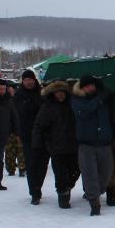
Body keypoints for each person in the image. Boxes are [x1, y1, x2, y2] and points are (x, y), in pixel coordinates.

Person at [71, 74, 115, 216]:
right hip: (86, 144)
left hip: (104, 142)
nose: (90, 88)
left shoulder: (104, 98)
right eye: (86, 86)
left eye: (92, 85)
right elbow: (84, 111)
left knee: (106, 173)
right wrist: (99, 99)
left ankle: (95, 192)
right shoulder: (77, 99)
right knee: (90, 174)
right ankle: (94, 202)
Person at [31, 80, 79, 208]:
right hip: (56, 146)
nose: (60, 95)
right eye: (57, 93)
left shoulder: (72, 104)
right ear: (53, 94)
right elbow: (39, 126)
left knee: (75, 171)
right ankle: (63, 196)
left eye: (62, 92)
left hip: (73, 145)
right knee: (60, 174)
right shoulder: (48, 107)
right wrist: (38, 143)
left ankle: (67, 187)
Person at [12, 69, 49, 202]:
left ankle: (37, 186)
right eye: (26, 80)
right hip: (28, 134)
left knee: (43, 163)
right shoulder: (19, 95)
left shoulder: (42, 93)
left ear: (34, 80)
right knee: (32, 163)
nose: (28, 82)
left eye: (30, 79)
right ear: (23, 81)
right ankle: (35, 191)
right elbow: (19, 114)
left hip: (44, 134)